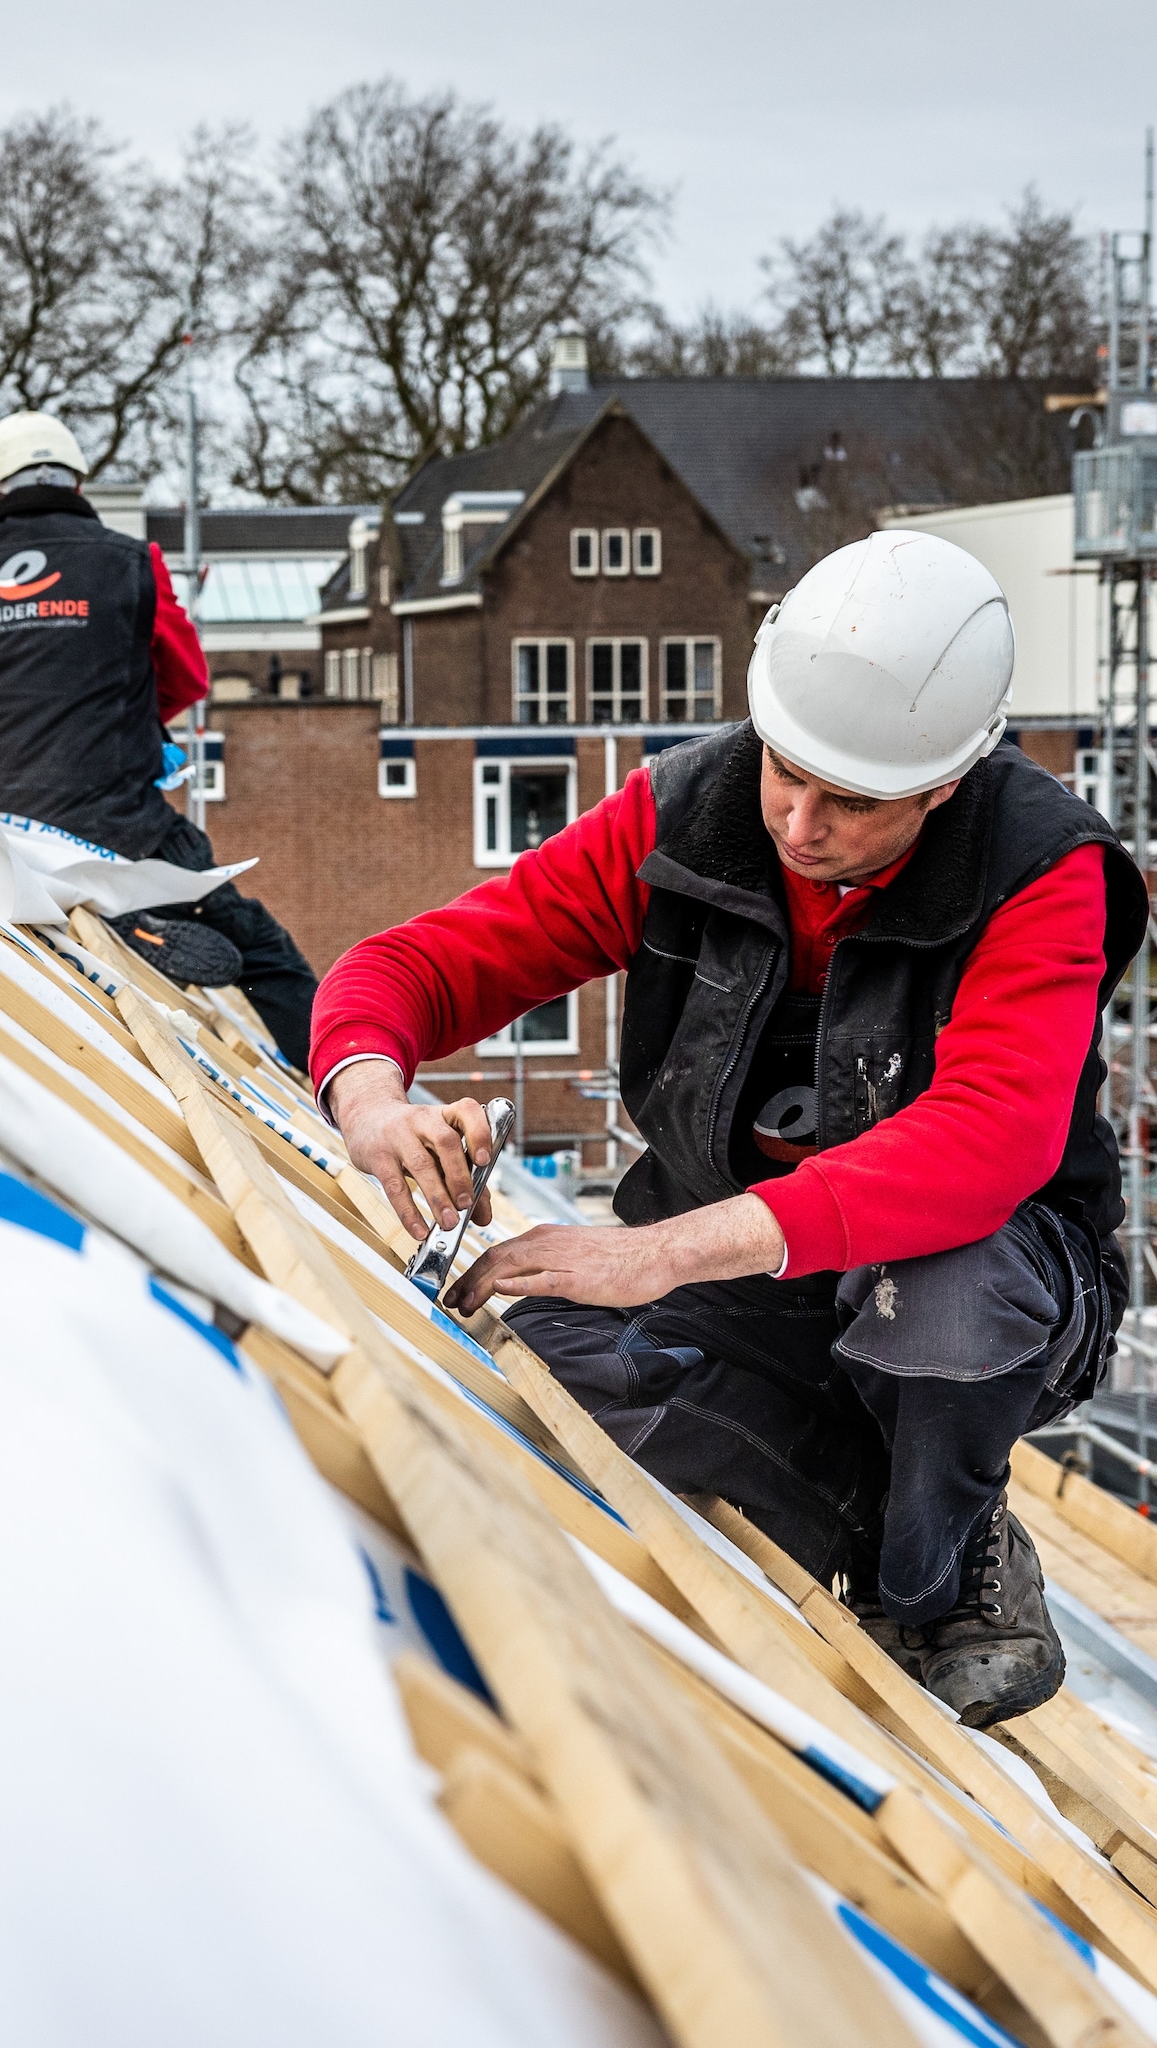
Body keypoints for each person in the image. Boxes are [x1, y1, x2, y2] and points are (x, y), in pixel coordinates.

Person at [311, 530, 1145, 1727]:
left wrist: (656, 1249)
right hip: (744, 1266)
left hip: (987, 1276)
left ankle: (937, 1578)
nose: (799, 824)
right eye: (783, 770)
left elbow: (985, 1141)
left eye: (850, 802)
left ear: (944, 782)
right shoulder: (689, 810)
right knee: (545, 1356)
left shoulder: (1037, 869)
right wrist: (368, 1090)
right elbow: (423, 961)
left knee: (943, 1302)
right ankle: (859, 1514)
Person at [0, 409, 319, 1066]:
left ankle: (122, 917)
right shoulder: (132, 563)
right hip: (116, 823)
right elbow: (187, 678)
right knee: (263, 954)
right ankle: (338, 1088)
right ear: (77, 483)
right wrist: (117, 711)